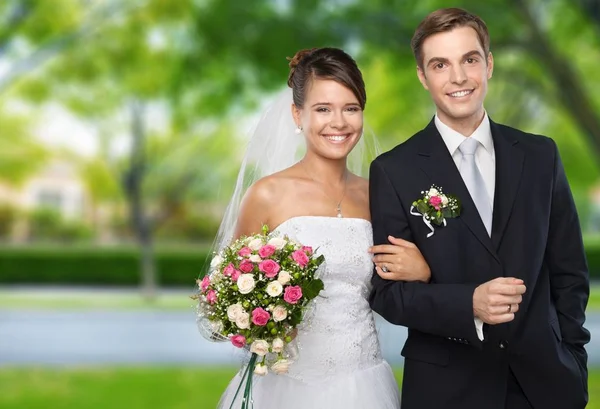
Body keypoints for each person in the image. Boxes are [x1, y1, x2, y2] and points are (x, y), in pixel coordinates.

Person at [368, 8, 590, 409]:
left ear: (488, 64)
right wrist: (466, 303)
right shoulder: (393, 170)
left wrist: (573, 357)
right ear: (423, 76)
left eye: (469, 59)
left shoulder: (541, 155)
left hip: (544, 384)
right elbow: (388, 295)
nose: (458, 78)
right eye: (440, 65)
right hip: (447, 388)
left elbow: (570, 273)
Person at [217, 47, 430, 409]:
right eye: (323, 109)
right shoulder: (267, 194)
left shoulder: (378, 195)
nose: (339, 122)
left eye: (351, 108)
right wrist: (265, 324)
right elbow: (226, 294)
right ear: (297, 115)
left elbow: (391, 291)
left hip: (364, 382)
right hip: (286, 386)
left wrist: (422, 272)